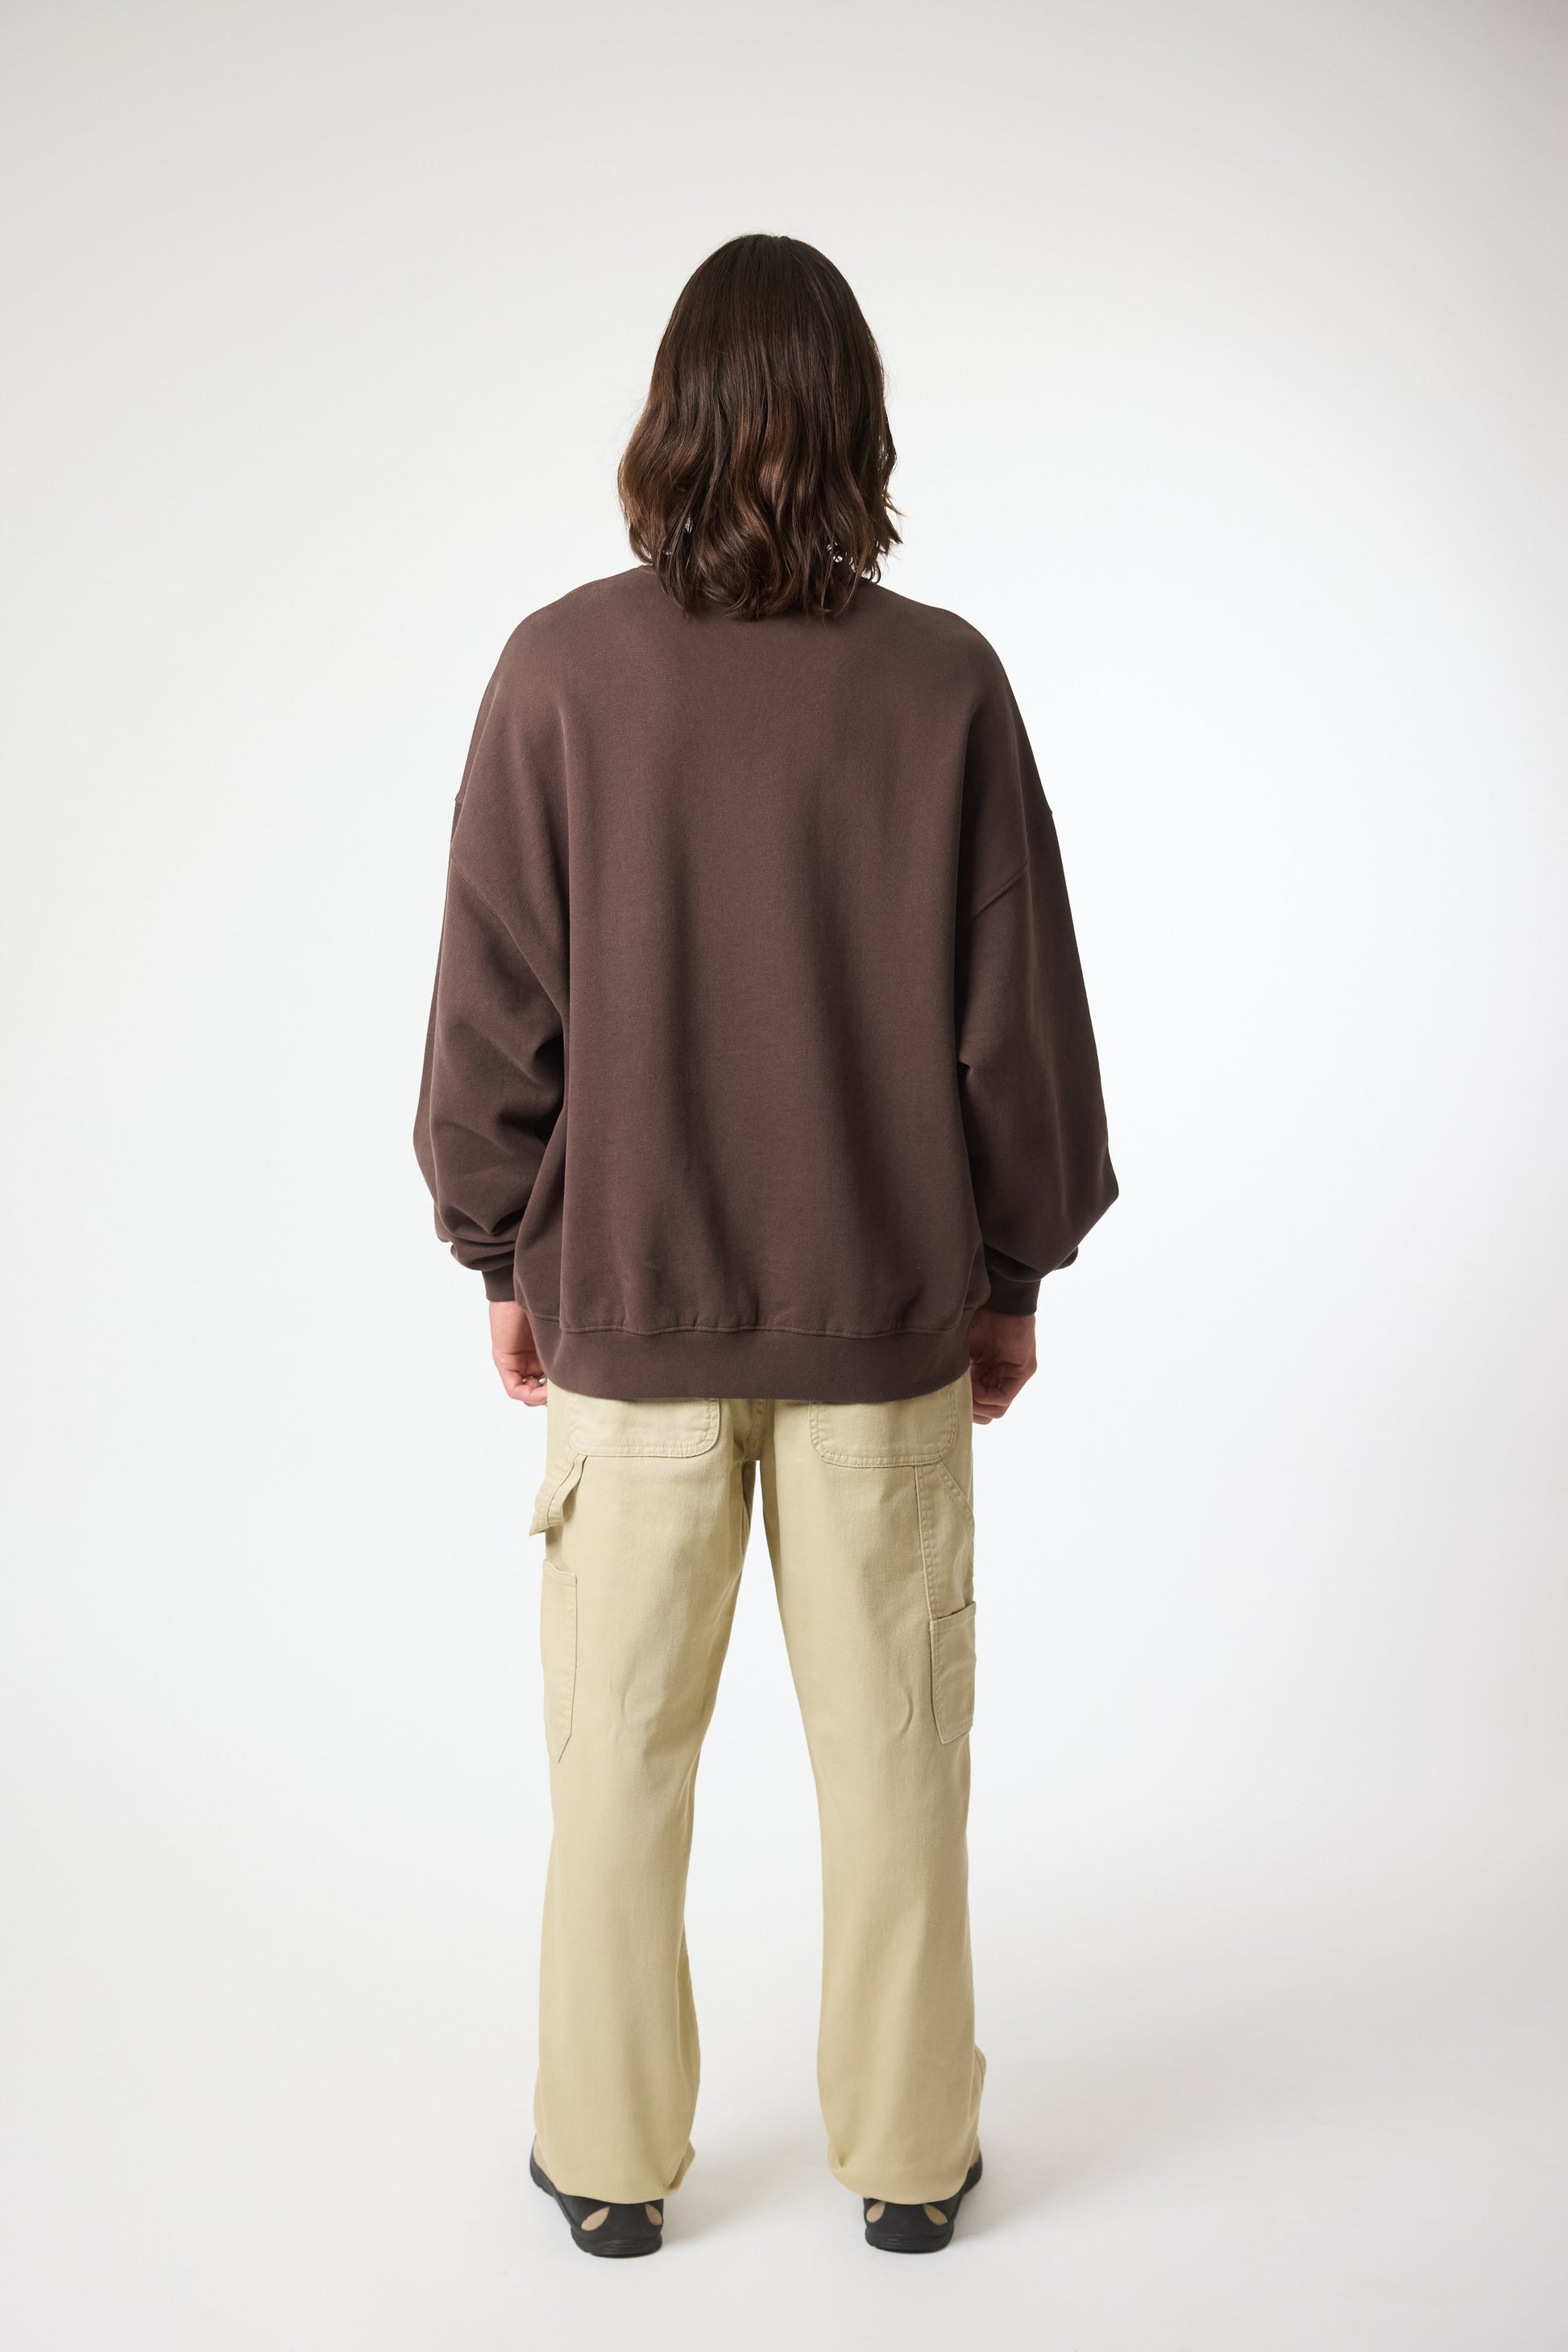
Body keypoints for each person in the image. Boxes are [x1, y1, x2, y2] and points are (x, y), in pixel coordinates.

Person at [414, 232, 1117, 2259]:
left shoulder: (559, 672)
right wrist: (1010, 1273)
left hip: (628, 1317)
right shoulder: (940, 681)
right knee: (897, 1766)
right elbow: (1014, 1019)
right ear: (858, 425)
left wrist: (500, 1251)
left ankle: (607, 2160)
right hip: (882, 1320)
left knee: (616, 1772)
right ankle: (909, 2156)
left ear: (672, 419)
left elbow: (493, 1006)